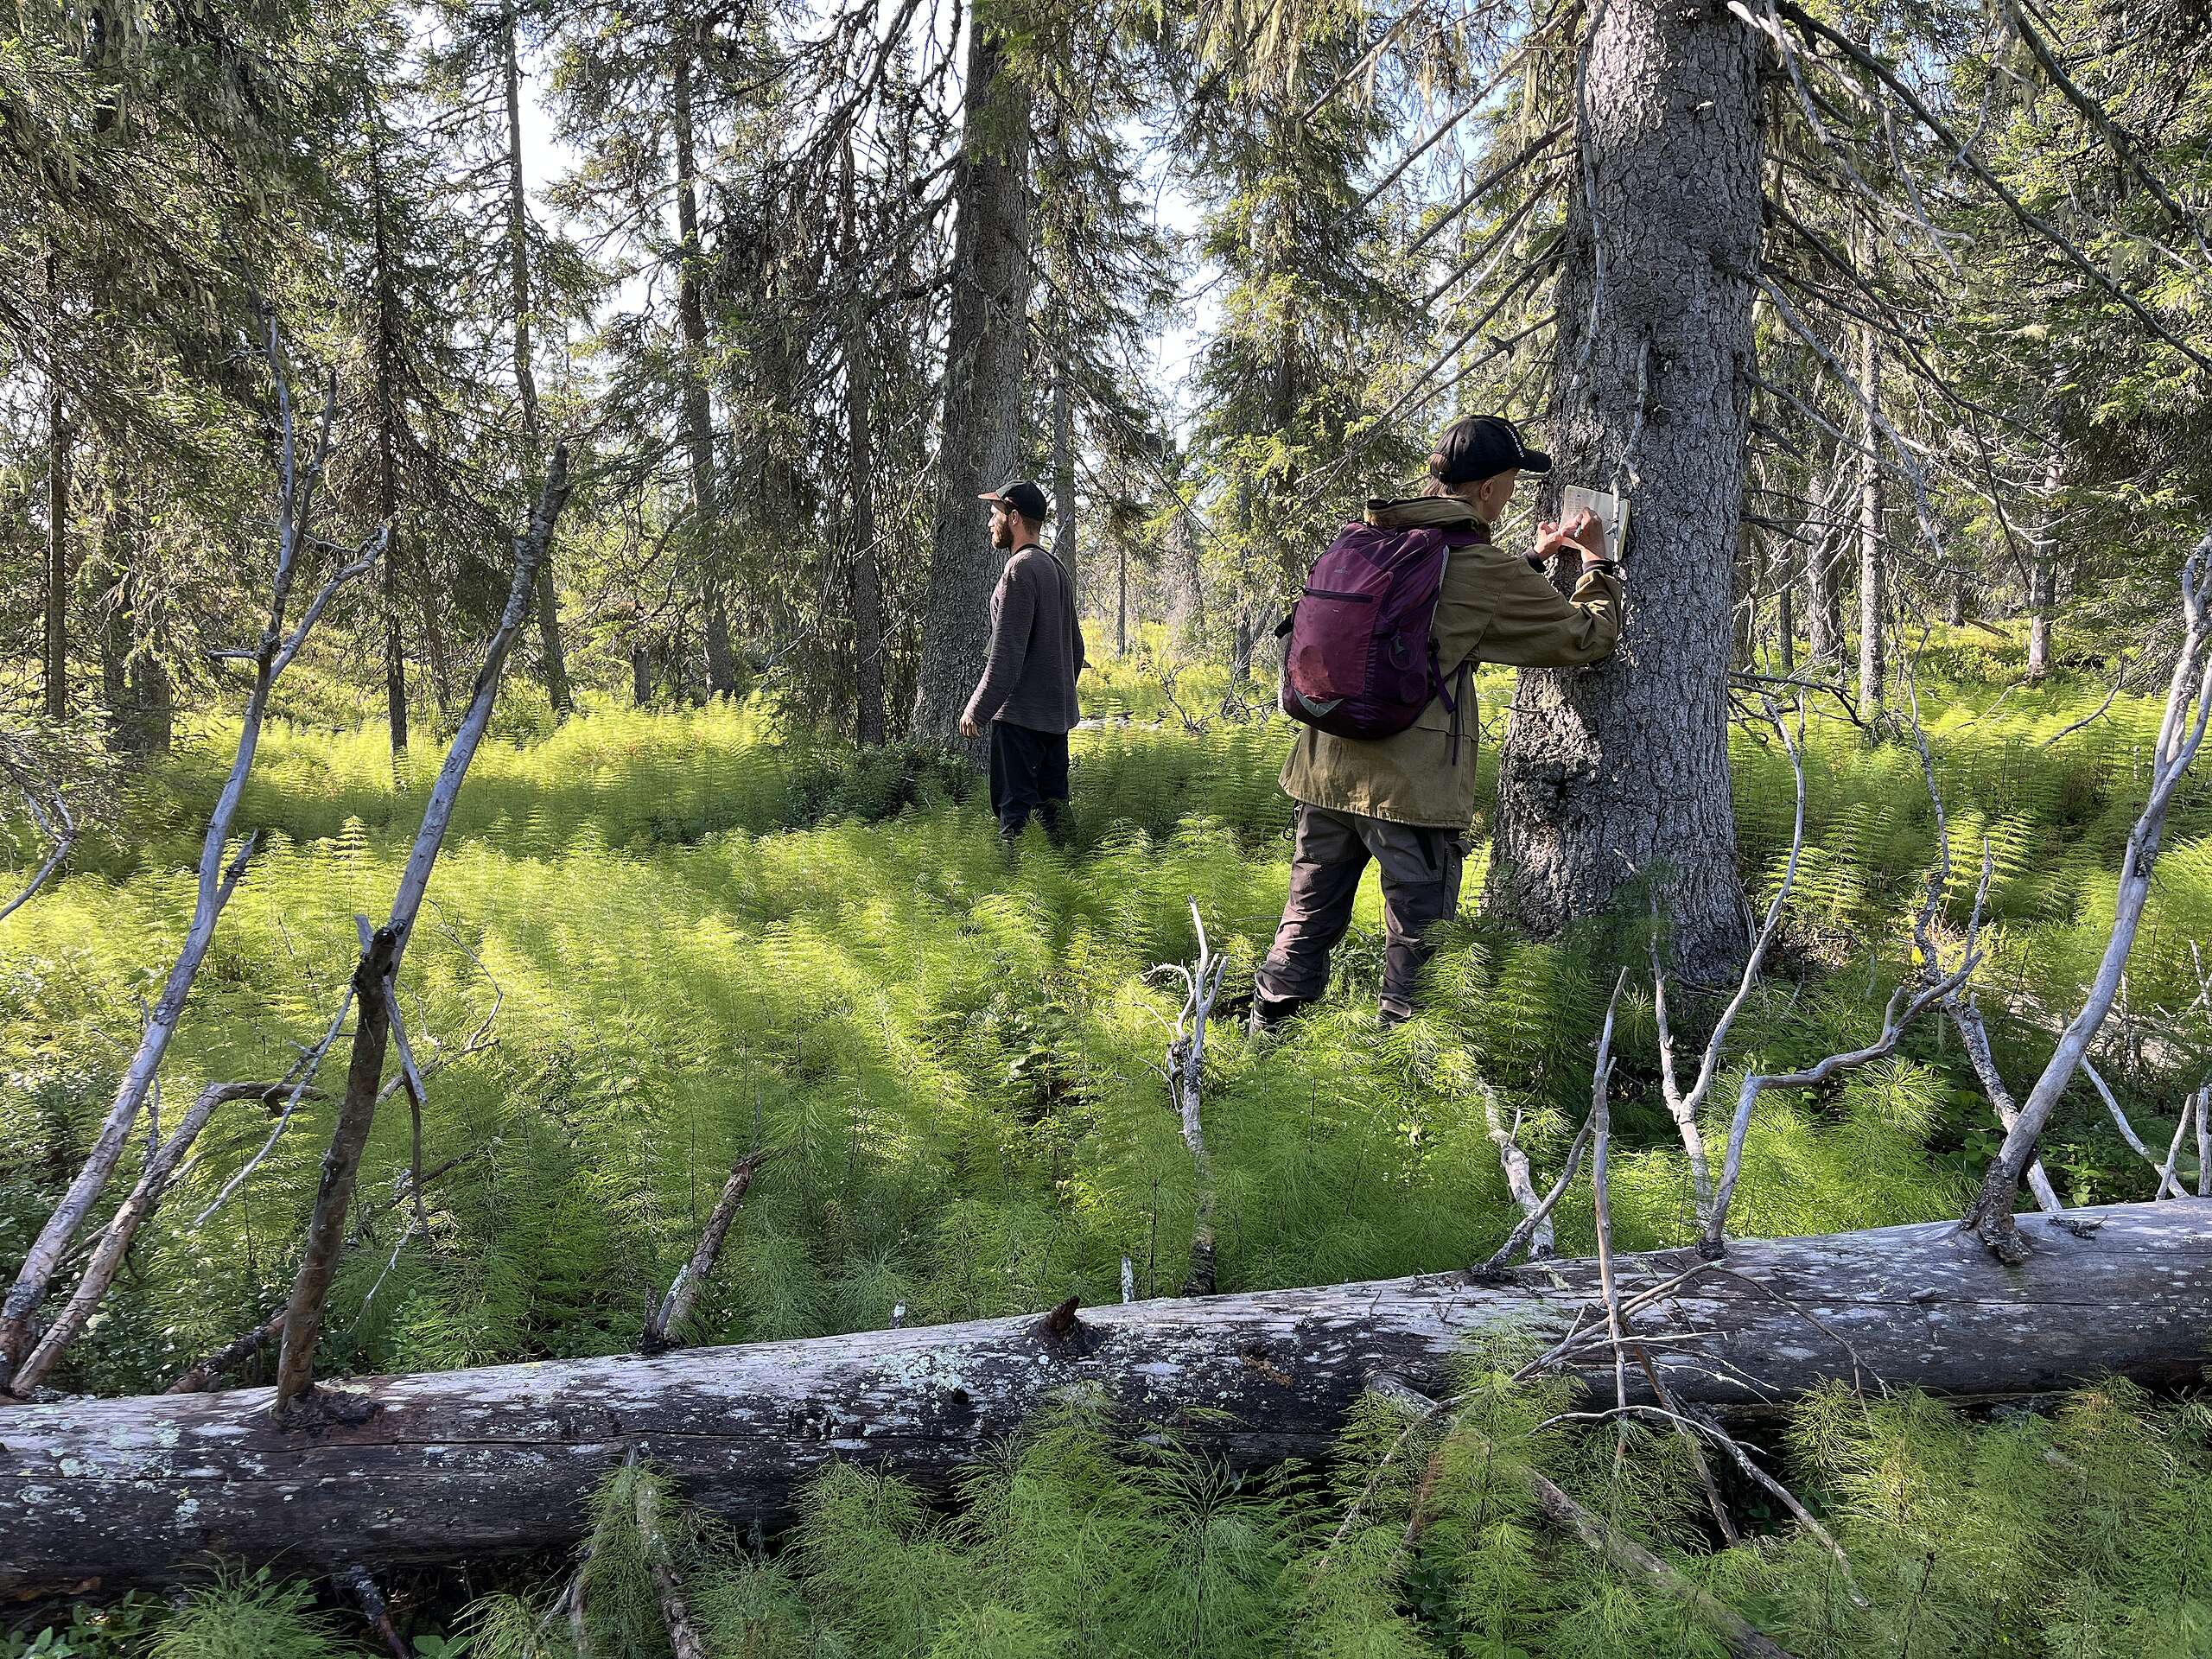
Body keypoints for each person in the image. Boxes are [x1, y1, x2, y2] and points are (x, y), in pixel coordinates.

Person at [1251, 414, 1624, 1033]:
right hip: (1410, 790)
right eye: (1510, 480)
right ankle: (1408, 1078)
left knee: (1306, 920)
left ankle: (1269, 1034)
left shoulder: (1379, 539)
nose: (1511, 494)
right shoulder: (1480, 566)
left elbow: (1444, 611)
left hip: (1323, 768)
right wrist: (1596, 565)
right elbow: (1588, 636)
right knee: (1418, 945)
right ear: (1485, 490)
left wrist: (1533, 558)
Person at [959, 478, 1086, 840]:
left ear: (1013, 518)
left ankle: (1010, 893)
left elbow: (1006, 656)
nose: (990, 523)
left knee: (1012, 814)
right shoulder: (1055, 569)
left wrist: (976, 710)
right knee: (1056, 814)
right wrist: (1052, 699)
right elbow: (1076, 650)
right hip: (1053, 722)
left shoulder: (1019, 570)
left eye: (994, 513)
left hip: (1017, 722)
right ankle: (1071, 883)